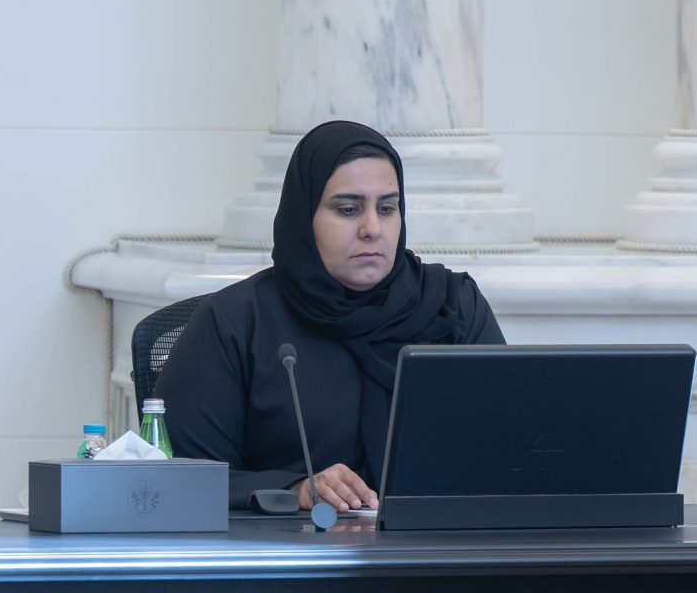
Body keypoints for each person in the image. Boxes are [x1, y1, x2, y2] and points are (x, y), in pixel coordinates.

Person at [156, 118, 505, 511]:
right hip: (289, 545)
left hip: (442, 541)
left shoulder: (451, 305)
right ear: (303, 216)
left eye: (387, 208)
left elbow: (510, 445)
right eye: (348, 209)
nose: (372, 229)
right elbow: (181, 479)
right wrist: (294, 490)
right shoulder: (235, 322)